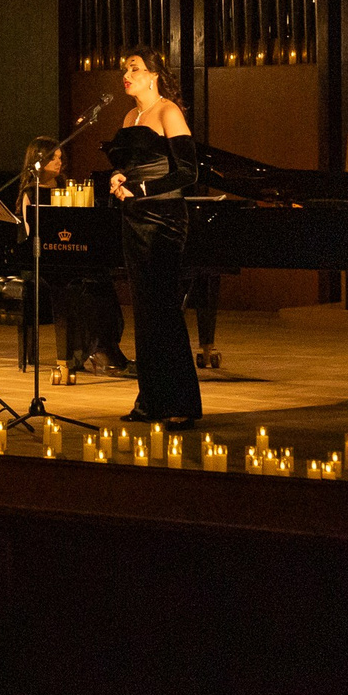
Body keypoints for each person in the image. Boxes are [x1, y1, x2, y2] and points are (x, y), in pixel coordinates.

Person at [103, 50, 204, 425]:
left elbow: (188, 173)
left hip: (163, 220)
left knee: (163, 310)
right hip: (134, 219)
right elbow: (129, 166)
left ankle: (181, 406)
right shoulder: (131, 116)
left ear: (153, 76)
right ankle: (150, 402)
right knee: (143, 313)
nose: (126, 75)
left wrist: (142, 188)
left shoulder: (168, 113)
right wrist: (118, 176)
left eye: (134, 69)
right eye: (124, 69)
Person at [17, 136, 128, 378]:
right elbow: (30, 234)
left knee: (100, 283)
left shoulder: (66, 186)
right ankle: (81, 353)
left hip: (69, 253)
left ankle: (105, 346)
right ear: (38, 161)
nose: (59, 163)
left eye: (59, 158)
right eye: (52, 158)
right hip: (39, 261)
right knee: (75, 288)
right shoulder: (30, 193)